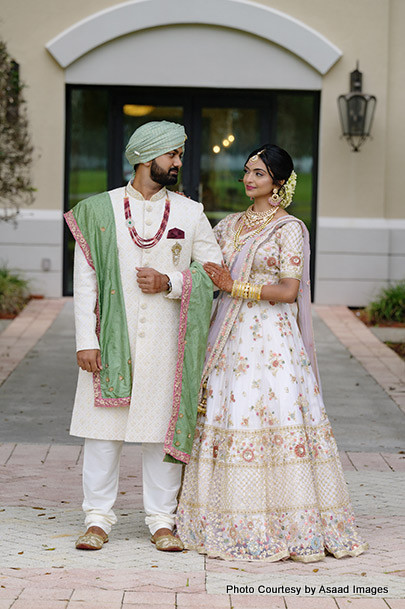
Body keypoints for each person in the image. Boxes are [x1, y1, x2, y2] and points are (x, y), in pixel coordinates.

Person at [176, 144, 368, 562]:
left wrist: (235, 287)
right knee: (228, 413)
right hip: (226, 337)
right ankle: (218, 518)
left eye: (259, 173)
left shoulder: (288, 230)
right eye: (247, 171)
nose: (249, 179)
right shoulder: (227, 226)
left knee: (270, 415)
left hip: (270, 342)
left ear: (279, 182)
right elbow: (206, 271)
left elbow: (288, 290)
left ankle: (287, 522)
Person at [64, 120, 222, 552]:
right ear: (146, 156)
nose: (177, 163)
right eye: (172, 155)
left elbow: (214, 272)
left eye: (179, 155)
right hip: (111, 340)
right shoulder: (98, 210)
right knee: (103, 432)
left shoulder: (190, 213)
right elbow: (86, 281)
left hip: (169, 342)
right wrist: (86, 340)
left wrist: (171, 282)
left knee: (161, 432)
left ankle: (161, 520)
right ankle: (97, 518)